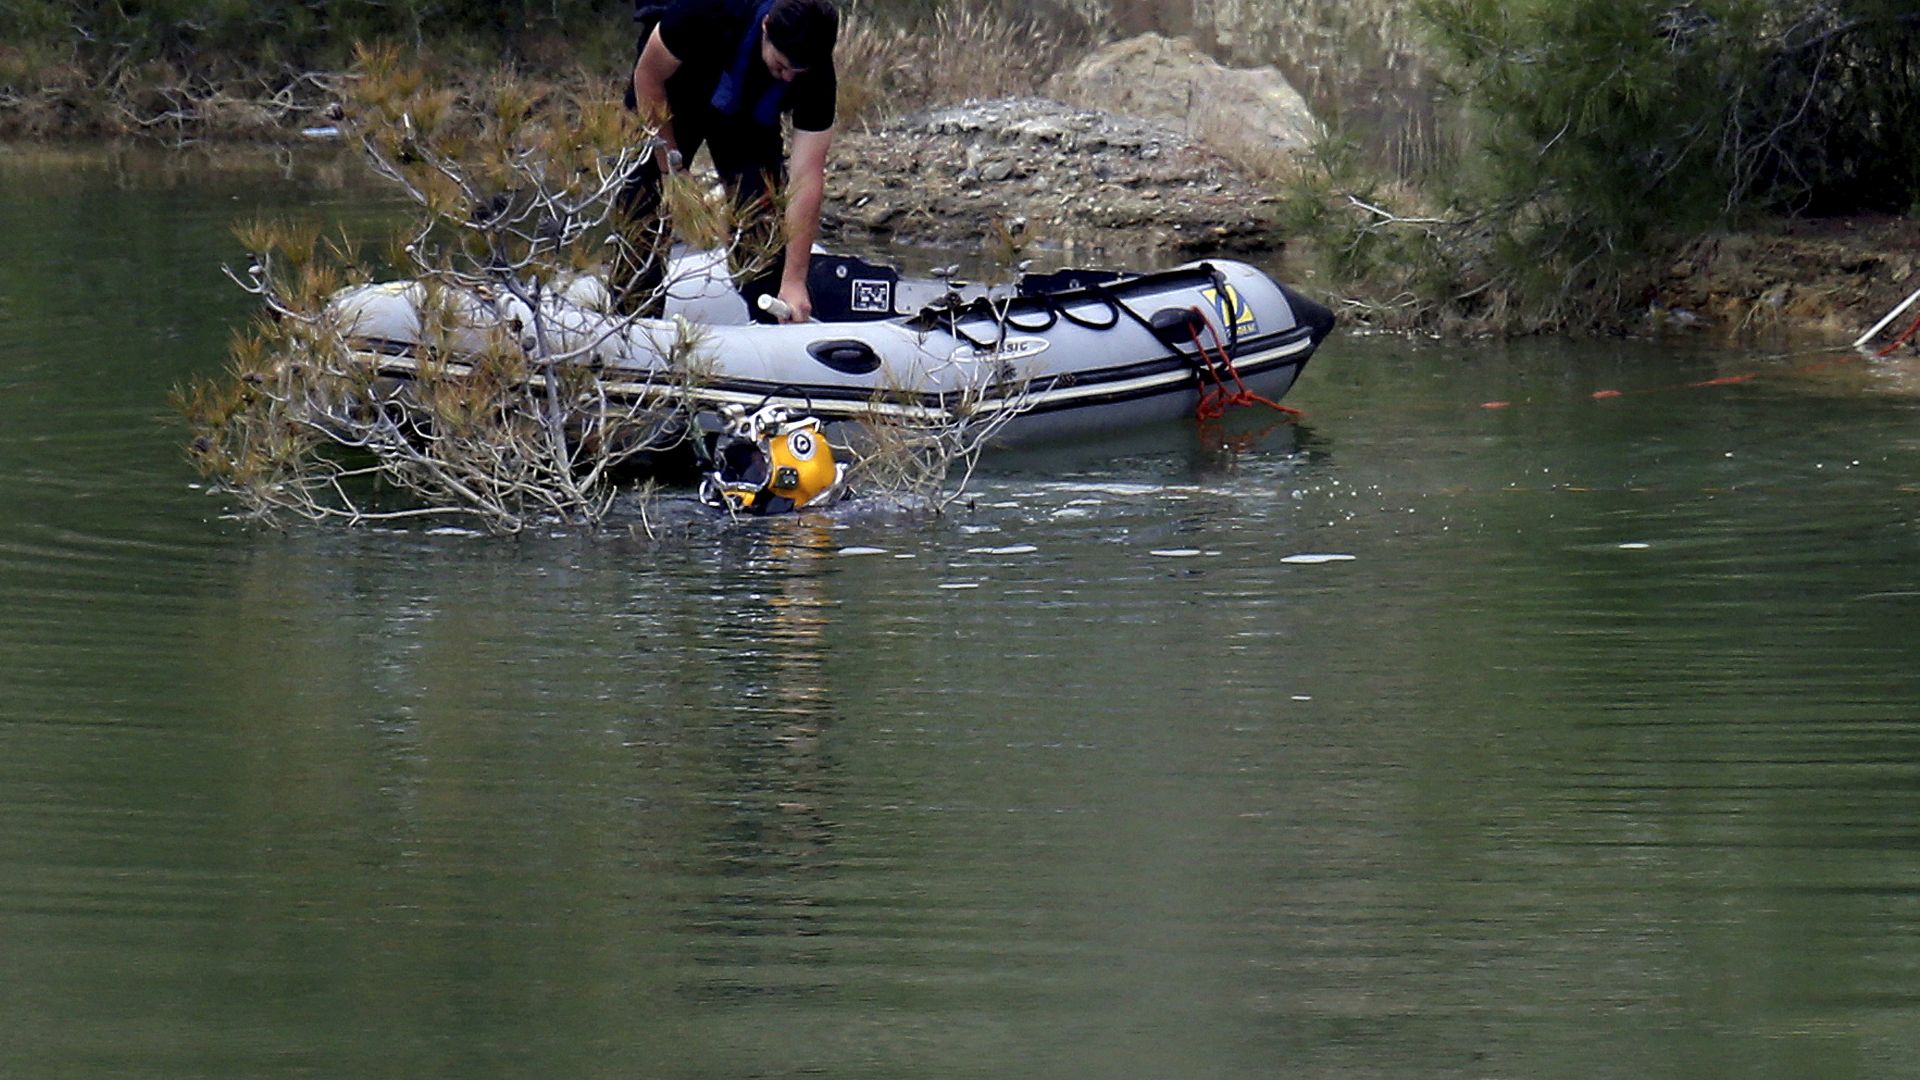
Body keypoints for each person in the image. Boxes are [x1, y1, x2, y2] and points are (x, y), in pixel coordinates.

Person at [613, 0, 840, 322]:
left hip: (747, 114)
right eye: (782, 65)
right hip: (674, 91)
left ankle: (769, 318)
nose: (789, 77)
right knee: (643, 200)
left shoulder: (814, 74)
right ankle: (630, 319)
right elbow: (648, 75)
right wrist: (673, 170)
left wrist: (794, 281)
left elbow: (808, 177)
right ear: (766, 30)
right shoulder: (705, 11)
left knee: (761, 215)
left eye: (797, 71)